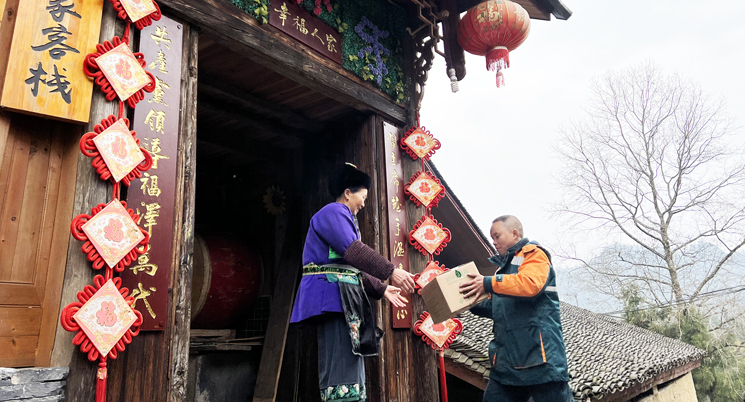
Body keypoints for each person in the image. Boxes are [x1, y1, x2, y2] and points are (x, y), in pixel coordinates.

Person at [290, 163, 415, 402]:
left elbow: (349, 266)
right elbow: (354, 251)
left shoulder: (341, 217)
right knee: (341, 366)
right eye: (363, 197)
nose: (363, 204)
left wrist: (382, 288)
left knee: (346, 363)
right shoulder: (333, 211)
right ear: (348, 193)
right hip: (333, 298)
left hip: (340, 298)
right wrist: (391, 271)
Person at [459, 215, 572, 402]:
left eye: (497, 236)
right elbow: (497, 307)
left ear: (514, 234)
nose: (494, 242)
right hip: (507, 362)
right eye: (492, 238)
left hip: (540, 358)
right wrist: (465, 300)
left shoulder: (533, 254)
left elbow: (530, 284)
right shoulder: (503, 269)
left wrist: (488, 283)